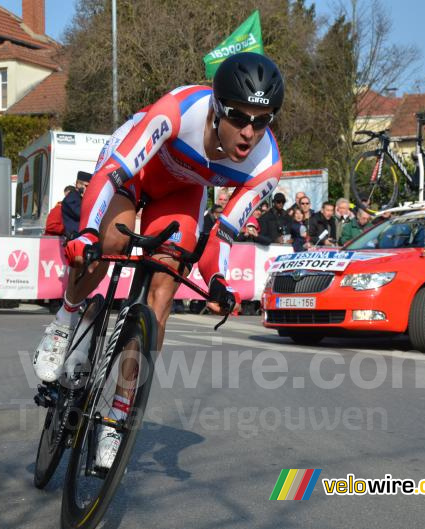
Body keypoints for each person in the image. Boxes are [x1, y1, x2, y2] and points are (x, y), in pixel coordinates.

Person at [32, 52, 284, 469]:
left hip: (181, 193)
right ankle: (65, 322)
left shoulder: (266, 165)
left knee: (163, 293)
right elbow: (112, 172)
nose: (249, 132)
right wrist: (88, 234)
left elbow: (221, 234)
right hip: (133, 172)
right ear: (218, 108)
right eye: (239, 117)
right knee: (110, 241)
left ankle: (118, 413)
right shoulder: (179, 110)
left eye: (262, 120)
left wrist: (217, 279)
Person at [62, 171, 92, 236]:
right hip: (75, 238)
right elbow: (82, 214)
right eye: (87, 186)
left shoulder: (80, 198)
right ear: (78, 185)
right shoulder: (71, 199)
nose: (89, 189)